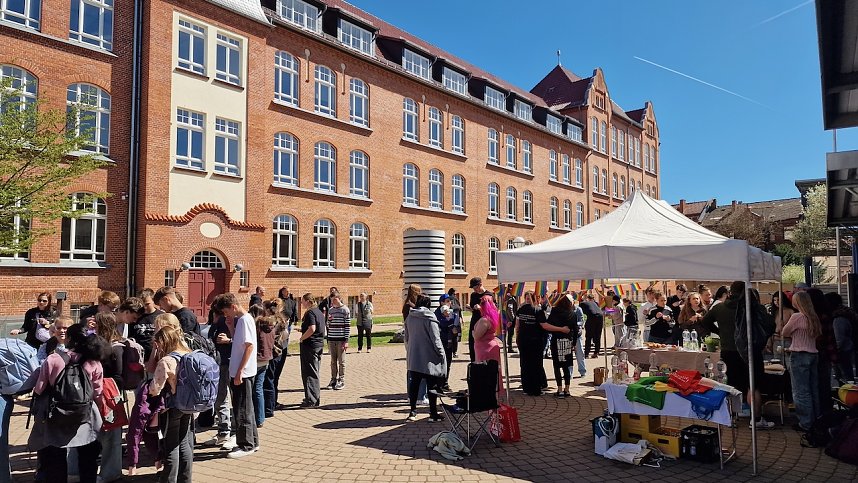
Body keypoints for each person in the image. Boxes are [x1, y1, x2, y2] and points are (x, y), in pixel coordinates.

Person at [29, 323, 107, 483]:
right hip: (85, 415)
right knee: (88, 457)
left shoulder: (53, 359)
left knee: (55, 457)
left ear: (69, 338)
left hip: (56, 414)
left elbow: (39, 389)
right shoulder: (94, 362)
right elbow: (98, 392)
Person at [213, 293, 258, 459]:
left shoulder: (245, 320)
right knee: (246, 408)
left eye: (226, 311)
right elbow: (239, 343)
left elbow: (249, 347)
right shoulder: (241, 320)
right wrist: (231, 327)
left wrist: (239, 372)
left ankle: (246, 445)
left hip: (243, 373)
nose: (226, 315)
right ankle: (252, 441)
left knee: (241, 410)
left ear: (233, 306)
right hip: (240, 371)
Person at [147, 325, 193, 482]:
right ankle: (185, 478)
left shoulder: (166, 361)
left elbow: (155, 389)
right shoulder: (189, 354)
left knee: (171, 445)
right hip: (188, 404)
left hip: (172, 406)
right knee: (184, 443)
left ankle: (169, 479)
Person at [93, 312, 127, 483]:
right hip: (100, 392)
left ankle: (111, 472)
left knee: (111, 434)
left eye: (97, 324)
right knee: (100, 433)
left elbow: (119, 376)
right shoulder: (100, 343)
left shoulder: (116, 347)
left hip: (110, 394)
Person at [783, 291, 822, 432]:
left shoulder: (797, 317)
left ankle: (805, 422)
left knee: (800, 391)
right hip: (813, 353)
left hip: (799, 354)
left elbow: (785, 332)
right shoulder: (813, 316)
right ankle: (816, 419)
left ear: (797, 302)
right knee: (812, 389)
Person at [404, 295, 447, 422]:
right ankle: (433, 413)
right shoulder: (430, 318)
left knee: (414, 385)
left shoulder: (409, 317)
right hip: (429, 356)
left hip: (414, 355)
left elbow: (406, 337)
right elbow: (436, 339)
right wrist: (441, 353)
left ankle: (412, 411)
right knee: (431, 385)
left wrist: (410, 351)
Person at [207, 303, 234, 448]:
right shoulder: (216, 323)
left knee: (229, 398)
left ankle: (233, 432)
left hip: (229, 363)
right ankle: (223, 432)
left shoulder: (231, 321)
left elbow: (245, 342)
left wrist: (229, 340)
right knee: (220, 399)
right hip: (218, 363)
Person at [807, 288, 835, 416]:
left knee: (815, 385)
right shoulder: (827, 315)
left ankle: (818, 414)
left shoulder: (814, 317)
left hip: (816, 352)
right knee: (824, 385)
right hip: (826, 353)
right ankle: (825, 412)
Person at [516, 291, 549, 395]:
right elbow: (544, 325)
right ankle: (535, 389)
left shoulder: (521, 309)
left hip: (523, 339)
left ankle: (526, 388)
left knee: (525, 364)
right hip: (535, 340)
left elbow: (517, 326)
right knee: (536, 364)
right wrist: (560, 329)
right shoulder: (538, 310)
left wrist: (518, 337)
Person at [547, 294, 577, 398]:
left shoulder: (555, 311)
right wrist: (574, 343)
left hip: (556, 341)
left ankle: (559, 389)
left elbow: (548, 323)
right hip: (567, 342)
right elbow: (576, 330)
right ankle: (567, 389)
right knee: (566, 366)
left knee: (557, 366)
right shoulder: (572, 313)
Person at [472, 294, 503, 393]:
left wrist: (473, 332)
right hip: (491, 345)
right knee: (493, 371)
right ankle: (492, 392)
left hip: (484, 349)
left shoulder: (484, 320)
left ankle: (485, 394)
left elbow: (477, 336)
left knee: (484, 371)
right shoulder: (494, 317)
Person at [298, 293, 325, 408]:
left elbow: (312, 328)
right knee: (315, 371)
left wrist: (302, 338)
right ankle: (314, 397)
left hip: (310, 346)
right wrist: (301, 330)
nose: (301, 303)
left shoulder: (310, 312)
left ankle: (311, 400)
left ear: (308, 301)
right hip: (318, 345)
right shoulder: (318, 312)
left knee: (309, 373)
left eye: (302, 301)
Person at [826, 292, 856, 381]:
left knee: (844, 375)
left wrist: (835, 349)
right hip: (846, 348)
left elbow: (839, 338)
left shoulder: (838, 319)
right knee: (846, 373)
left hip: (841, 351)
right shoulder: (845, 315)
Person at [253, 315, 275, 427]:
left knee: (255, 389)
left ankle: (257, 417)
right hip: (266, 359)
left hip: (257, 360)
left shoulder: (258, 329)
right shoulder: (271, 328)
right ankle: (260, 418)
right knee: (259, 389)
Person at [325, 295, 350, 390]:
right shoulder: (331, 310)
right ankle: (333, 379)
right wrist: (329, 321)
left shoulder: (345, 310)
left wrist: (346, 340)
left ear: (339, 299)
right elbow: (328, 324)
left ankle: (341, 379)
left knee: (341, 361)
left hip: (341, 339)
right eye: (332, 299)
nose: (333, 301)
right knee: (333, 361)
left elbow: (347, 326)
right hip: (332, 338)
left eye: (335, 299)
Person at [131, 288, 164, 360]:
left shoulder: (161, 316)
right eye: (142, 305)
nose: (145, 307)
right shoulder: (136, 317)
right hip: (137, 354)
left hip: (155, 355)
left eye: (147, 304)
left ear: (153, 301)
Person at [434, 294, 457, 390]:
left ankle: (445, 383)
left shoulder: (452, 313)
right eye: (447, 301)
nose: (449, 303)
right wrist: (450, 322)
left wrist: (455, 326)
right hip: (441, 340)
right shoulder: (437, 313)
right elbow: (442, 323)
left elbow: (455, 325)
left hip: (450, 341)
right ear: (441, 302)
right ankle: (439, 384)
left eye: (450, 301)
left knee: (448, 362)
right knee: (441, 363)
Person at [467, 277, 492, 362]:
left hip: (484, 323)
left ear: (480, 285)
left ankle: (482, 363)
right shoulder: (473, 295)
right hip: (474, 321)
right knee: (472, 343)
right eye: (473, 288)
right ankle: (473, 363)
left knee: (482, 343)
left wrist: (481, 308)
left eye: (475, 288)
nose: (474, 290)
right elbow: (473, 308)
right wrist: (471, 309)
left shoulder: (488, 295)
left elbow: (492, 312)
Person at [580, 294, 603, 358]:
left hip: (592, 317)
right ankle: (596, 352)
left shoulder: (583, 304)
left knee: (589, 336)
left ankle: (586, 353)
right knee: (598, 336)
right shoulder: (595, 303)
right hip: (600, 316)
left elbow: (581, 312)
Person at [277, 286, 298, 356]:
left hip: (289, 322)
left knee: (287, 335)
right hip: (280, 322)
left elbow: (294, 310)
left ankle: (285, 349)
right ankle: (279, 348)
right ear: (282, 292)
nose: (288, 293)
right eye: (286, 291)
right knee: (280, 336)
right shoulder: (280, 300)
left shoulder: (292, 301)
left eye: (289, 291)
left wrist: (295, 319)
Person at [447, 288, 462, 358]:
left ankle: (455, 352)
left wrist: (461, 318)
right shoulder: (448, 300)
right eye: (454, 294)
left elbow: (459, 309)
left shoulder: (456, 300)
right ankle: (450, 351)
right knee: (451, 337)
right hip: (451, 321)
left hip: (457, 320)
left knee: (455, 337)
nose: (455, 295)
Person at [503, 289, 519, 353]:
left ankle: (509, 347)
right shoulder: (511, 299)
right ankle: (510, 348)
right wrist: (512, 320)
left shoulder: (510, 298)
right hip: (511, 319)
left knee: (510, 334)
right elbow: (510, 310)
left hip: (509, 319)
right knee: (510, 334)